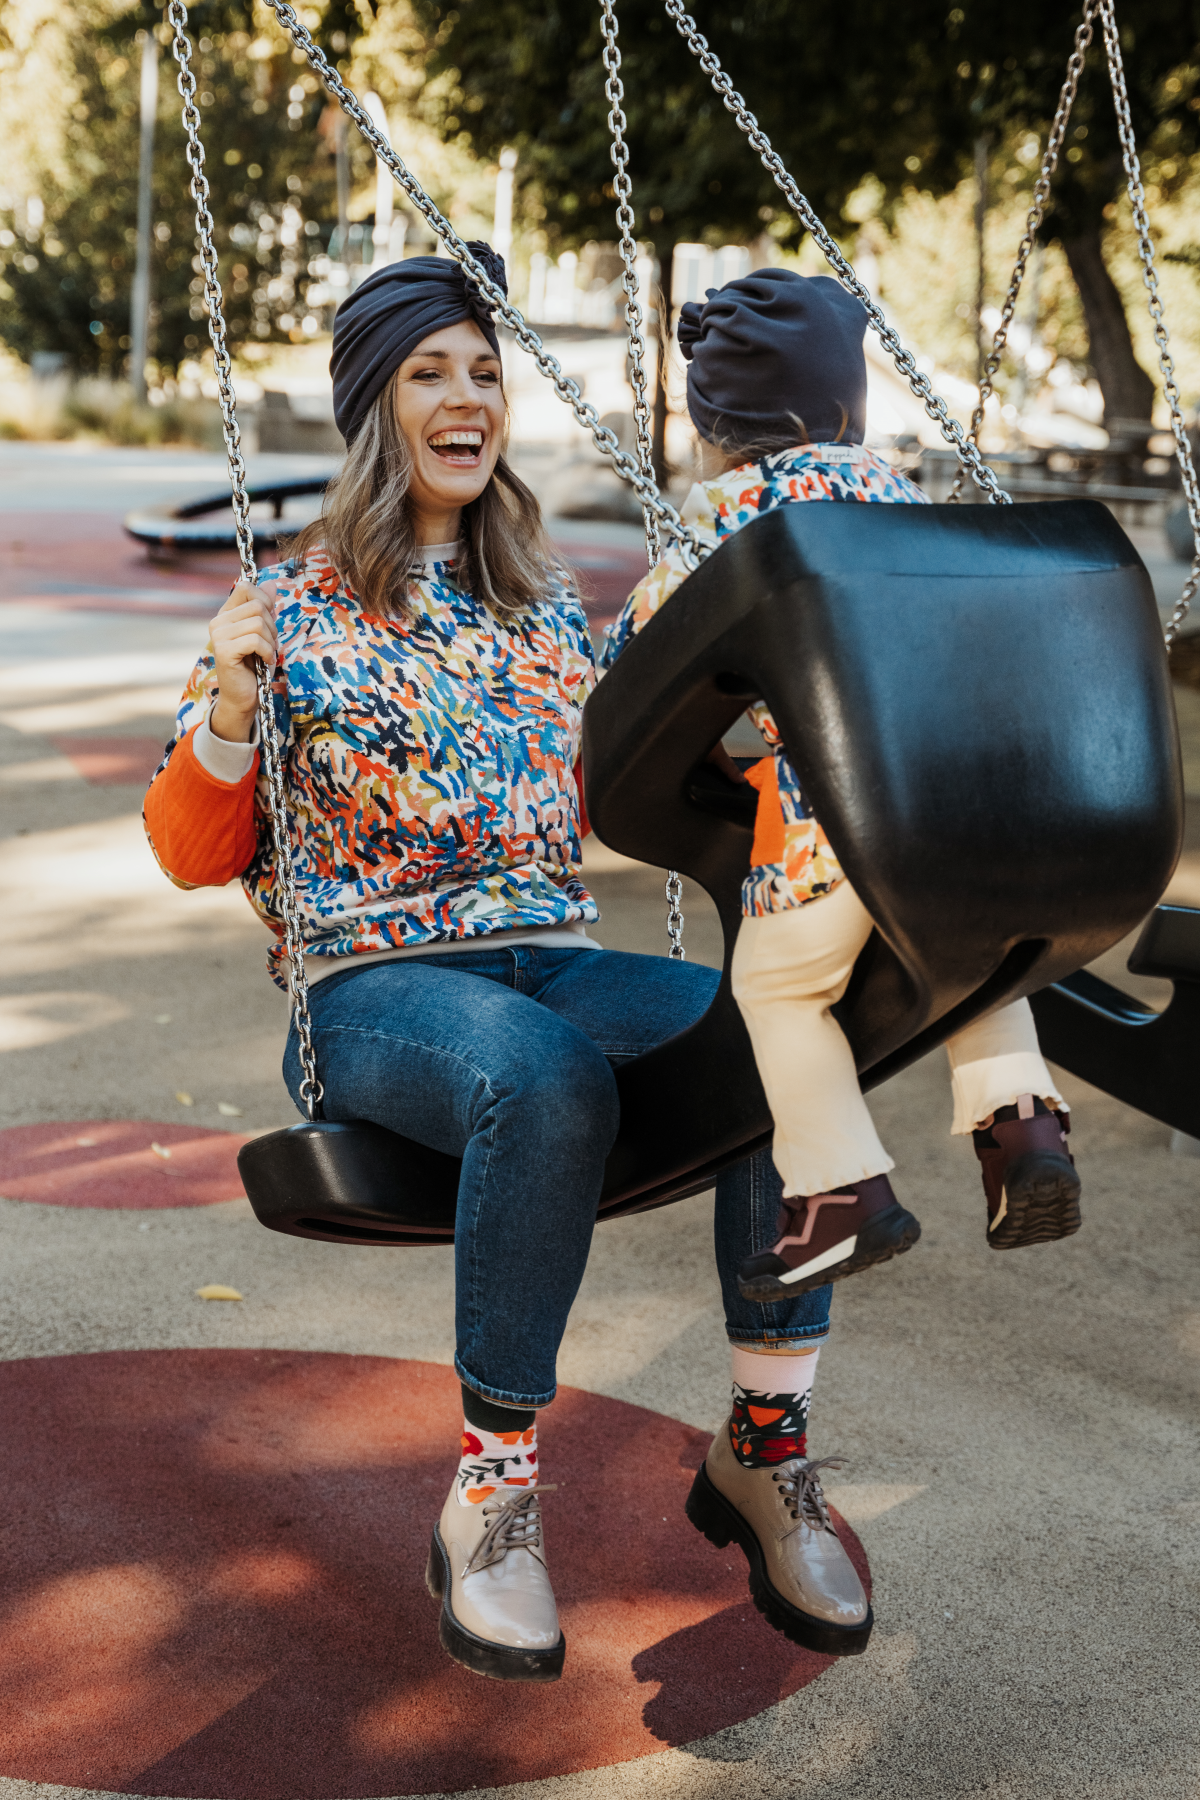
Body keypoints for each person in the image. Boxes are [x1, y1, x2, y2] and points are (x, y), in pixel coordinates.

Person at [142, 245, 870, 1683]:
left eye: (486, 371)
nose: (468, 397)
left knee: (780, 1032)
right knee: (540, 1079)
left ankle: (765, 1443)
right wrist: (228, 704)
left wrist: (752, 724)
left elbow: (626, 785)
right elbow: (188, 847)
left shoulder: (542, 604)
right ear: (376, 406)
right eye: (430, 373)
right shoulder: (285, 609)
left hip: (551, 953)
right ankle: (493, 1495)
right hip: (371, 990)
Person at [604, 269, 1081, 1312]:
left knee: (780, 990)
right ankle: (1025, 1131)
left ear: (715, 427)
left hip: (840, 813)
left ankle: (839, 1193)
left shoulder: (733, 513)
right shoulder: (903, 497)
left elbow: (639, 655)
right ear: (845, 405)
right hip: (978, 801)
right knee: (971, 960)